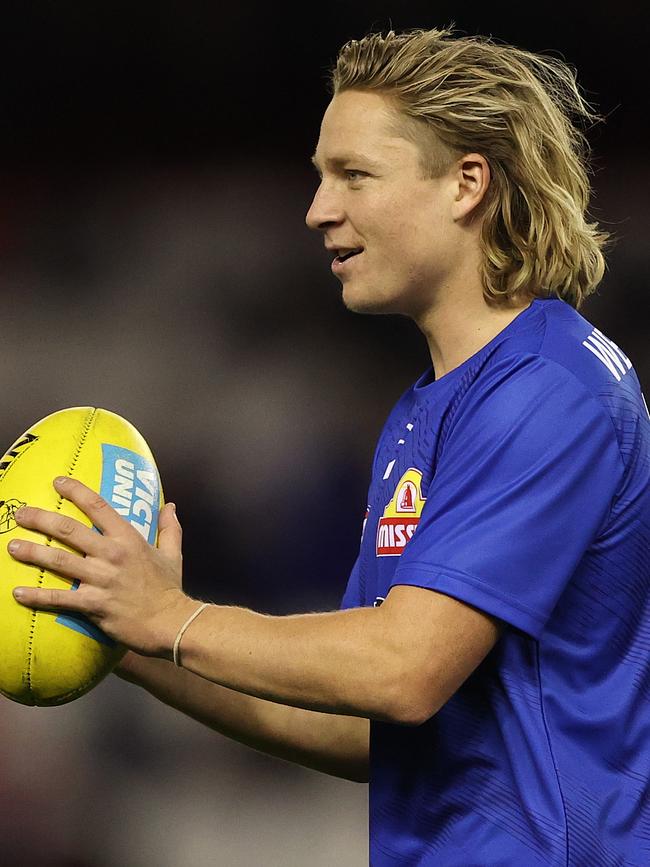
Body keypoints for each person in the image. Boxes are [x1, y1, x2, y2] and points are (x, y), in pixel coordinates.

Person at [9, 26, 650, 866]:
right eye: (319, 176)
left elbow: (404, 671)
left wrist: (175, 616)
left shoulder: (550, 389)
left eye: (353, 174)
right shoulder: (426, 412)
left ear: (466, 184)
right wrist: (125, 632)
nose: (318, 210)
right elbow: (359, 721)